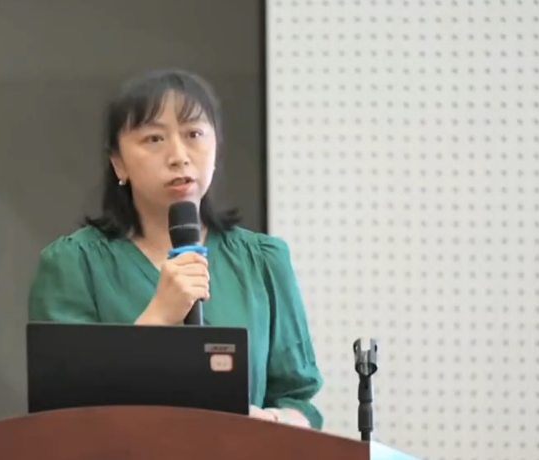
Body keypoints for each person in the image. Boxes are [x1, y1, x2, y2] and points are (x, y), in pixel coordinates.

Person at [27, 69, 324, 429]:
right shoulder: (73, 264)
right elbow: (61, 412)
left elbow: (297, 400)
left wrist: (271, 420)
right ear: (118, 162)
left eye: (194, 134)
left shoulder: (263, 260)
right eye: (154, 138)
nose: (179, 156)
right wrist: (159, 316)